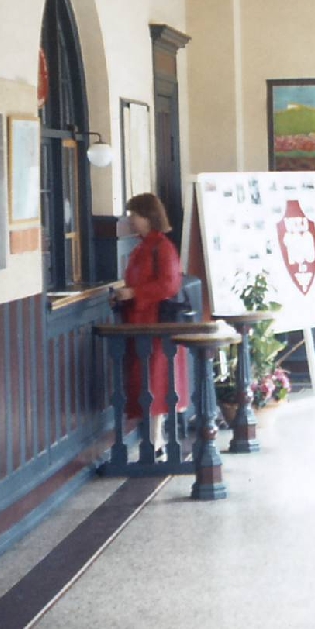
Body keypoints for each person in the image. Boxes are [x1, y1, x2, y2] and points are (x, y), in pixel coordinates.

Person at [112, 193, 189, 452]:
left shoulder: (162, 247)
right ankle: (154, 439)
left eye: (135, 215)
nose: (131, 220)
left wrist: (134, 293)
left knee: (156, 380)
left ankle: (156, 440)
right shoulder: (141, 246)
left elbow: (170, 284)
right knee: (145, 379)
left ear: (149, 217)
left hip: (156, 324)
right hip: (139, 322)